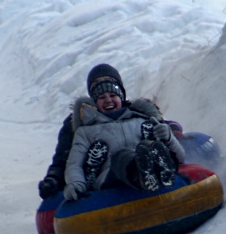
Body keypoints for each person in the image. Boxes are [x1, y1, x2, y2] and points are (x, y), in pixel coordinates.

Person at [58, 64, 185, 201]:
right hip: (110, 176)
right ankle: (144, 174)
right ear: (94, 103)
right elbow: (74, 164)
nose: (108, 100)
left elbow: (181, 157)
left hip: (147, 157)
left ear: (121, 97)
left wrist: (169, 137)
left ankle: (159, 167)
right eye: (101, 97)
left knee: (149, 145)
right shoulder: (85, 131)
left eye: (113, 95)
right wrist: (75, 184)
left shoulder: (141, 120)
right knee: (122, 156)